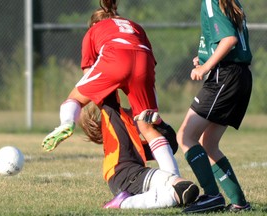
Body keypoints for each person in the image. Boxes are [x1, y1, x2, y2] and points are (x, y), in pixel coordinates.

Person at [42, 0, 179, 177]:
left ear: (93, 23)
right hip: (144, 63)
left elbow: (89, 75)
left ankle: (66, 123)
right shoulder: (135, 26)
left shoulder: (93, 31)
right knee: (146, 126)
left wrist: (89, 107)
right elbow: (148, 60)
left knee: (74, 98)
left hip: (115, 57)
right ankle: (174, 178)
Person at [176, 0, 252, 213]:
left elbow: (229, 39)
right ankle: (239, 202)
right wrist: (205, 57)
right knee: (208, 143)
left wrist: (207, 66)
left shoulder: (210, 0)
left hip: (225, 76)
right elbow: (227, 41)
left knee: (185, 136)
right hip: (240, 76)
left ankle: (211, 196)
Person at [79, 91, 199, 209]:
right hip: (125, 175)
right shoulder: (114, 115)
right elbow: (107, 92)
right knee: (185, 189)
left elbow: (171, 145)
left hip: (130, 176)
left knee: (184, 191)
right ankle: (124, 203)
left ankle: (130, 200)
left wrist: (159, 123)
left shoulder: (136, 144)